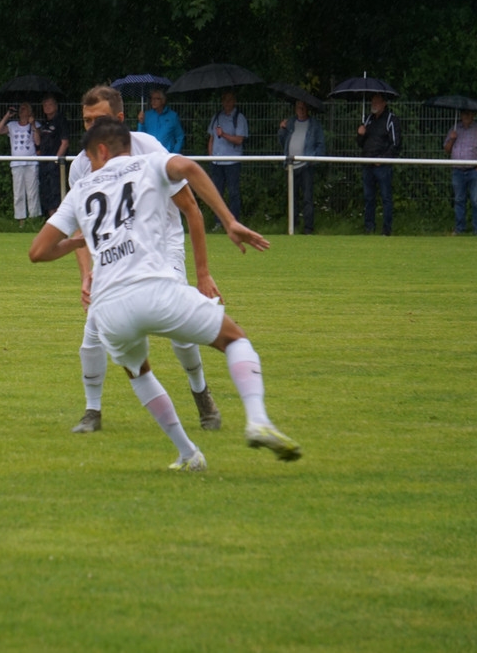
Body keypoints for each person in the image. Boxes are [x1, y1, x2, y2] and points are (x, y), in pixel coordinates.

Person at [30, 117, 301, 470]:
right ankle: (258, 420)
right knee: (235, 339)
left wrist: (79, 242)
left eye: (91, 158)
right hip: (155, 289)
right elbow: (188, 168)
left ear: (101, 150)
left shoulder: (81, 189)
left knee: (138, 372)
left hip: (108, 308)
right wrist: (229, 220)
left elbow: (38, 251)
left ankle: (188, 454)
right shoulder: (150, 163)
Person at [66, 85, 223, 435]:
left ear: (120, 119)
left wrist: (203, 274)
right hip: (115, 255)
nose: (92, 127)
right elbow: (80, 228)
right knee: (93, 330)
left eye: (99, 119)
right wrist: (86, 273)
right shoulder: (81, 165)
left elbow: (190, 208)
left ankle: (201, 393)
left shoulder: (149, 148)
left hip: (162, 247)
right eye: (87, 120)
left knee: (181, 330)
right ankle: (92, 411)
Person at [277, 100, 326, 234]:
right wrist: (281, 129)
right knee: (292, 198)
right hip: (291, 166)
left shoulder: (314, 125)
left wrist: (313, 159)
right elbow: (282, 141)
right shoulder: (290, 123)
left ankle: (308, 228)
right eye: (299, 107)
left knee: (307, 198)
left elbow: (321, 145)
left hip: (306, 166)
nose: (301, 110)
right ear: (295, 108)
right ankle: (293, 226)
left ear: (307, 109)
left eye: (304, 107)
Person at [356, 93, 401, 236]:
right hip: (367, 164)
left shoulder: (391, 120)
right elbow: (360, 144)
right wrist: (360, 134)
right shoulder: (368, 119)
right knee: (368, 197)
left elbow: (396, 144)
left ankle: (386, 229)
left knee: (386, 197)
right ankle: (369, 228)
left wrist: (382, 159)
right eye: (372, 101)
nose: (373, 104)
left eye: (376, 102)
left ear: (384, 103)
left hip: (382, 166)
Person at [443, 109, 477, 235]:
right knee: (459, 200)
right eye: (464, 113)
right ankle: (459, 228)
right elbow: (447, 149)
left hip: (474, 170)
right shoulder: (454, 129)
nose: (467, 116)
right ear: (460, 115)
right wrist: (452, 139)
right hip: (457, 170)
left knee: (476, 200)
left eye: (469, 113)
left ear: (473, 115)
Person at [0, 102, 40, 227]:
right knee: (18, 192)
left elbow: (37, 141)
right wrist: (7, 116)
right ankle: (21, 220)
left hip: (31, 162)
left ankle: (34, 219)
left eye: (25, 108)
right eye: (21, 108)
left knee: (32, 192)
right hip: (16, 163)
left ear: (30, 112)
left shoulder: (35, 125)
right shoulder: (12, 125)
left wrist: (33, 124)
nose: (22, 110)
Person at [206, 90, 248, 223]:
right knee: (217, 193)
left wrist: (223, 134)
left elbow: (239, 140)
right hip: (216, 162)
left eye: (229, 100)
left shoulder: (239, 118)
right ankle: (218, 222)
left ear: (234, 101)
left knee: (233, 192)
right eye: (224, 100)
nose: (227, 103)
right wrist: (211, 157)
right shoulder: (216, 117)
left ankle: (234, 222)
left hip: (232, 162)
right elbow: (211, 139)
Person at [37, 94, 70, 216]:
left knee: (56, 191)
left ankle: (59, 218)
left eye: (50, 104)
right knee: (46, 191)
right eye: (45, 105)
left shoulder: (61, 121)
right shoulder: (43, 123)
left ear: (56, 106)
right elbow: (38, 142)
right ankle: (51, 220)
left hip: (55, 163)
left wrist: (55, 160)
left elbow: (65, 142)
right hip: (44, 162)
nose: (47, 107)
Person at [137, 88, 184, 153]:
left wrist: (174, 153)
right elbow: (141, 136)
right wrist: (141, 123)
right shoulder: (147, 115)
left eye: (156, 99)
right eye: (152, 98)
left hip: (166, 155)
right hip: (150, 154)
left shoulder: (173, 116)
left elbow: (180, 137)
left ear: (163, 100)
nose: (153, 101)